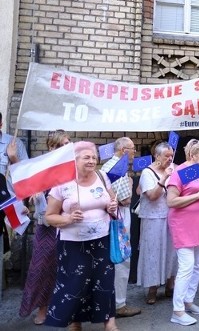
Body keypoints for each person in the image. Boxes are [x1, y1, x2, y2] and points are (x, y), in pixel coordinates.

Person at [44, 141, 119, 330]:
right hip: (73, 244)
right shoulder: (62, 183)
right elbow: (49, 217)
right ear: (75, 160)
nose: (92, 160)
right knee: (74, 284)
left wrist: (111, 207)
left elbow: (112, 202)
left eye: (94, 157)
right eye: (86, 157)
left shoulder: (102, 177)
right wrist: (68, 218)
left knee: (104, 280)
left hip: (102, 240)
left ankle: (109, 322)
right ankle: (74, 322)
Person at [19, 130, 70, 325]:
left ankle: (65, 309)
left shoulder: (72, 169)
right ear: (52, 148)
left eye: (68, 144)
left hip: (68, 226)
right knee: (43, 269)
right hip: (47, 228)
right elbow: (28, 195)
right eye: (63, 145)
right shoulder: (42, 169)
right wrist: (29, 201)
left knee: (67, 268)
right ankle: (42, 308)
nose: (67, 147)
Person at [166, 139, 199, 326]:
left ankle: (189, 300)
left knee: (197, 265)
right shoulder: (181, 171)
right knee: (186, 266)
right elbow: (171, 201)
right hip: (184, 224)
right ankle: (177, 310)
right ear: (192, 155)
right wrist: (198, 194)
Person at [101, 137, 141, 319]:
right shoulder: (117, 168)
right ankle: (119, 304)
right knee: (122, 258)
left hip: (110, 217)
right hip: (119, 216)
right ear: (124, 150)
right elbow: (125, 200)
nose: (135, 152)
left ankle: (112, 301)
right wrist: (131, 185)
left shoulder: (107, 166)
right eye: (133, 149)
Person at [136, 141, 177, 305]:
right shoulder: (147, 173)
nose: (170, 159)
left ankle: (170, 285)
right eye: (166, 156)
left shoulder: (173, 168)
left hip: (171, 216)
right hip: (153, 218)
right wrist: (165, 177)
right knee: (153, 253)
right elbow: (152, 196)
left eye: (171, 155)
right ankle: (152, 289)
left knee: (171, 252)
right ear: (157, 156)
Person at [0, 112, 29, 301]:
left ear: (1, 123)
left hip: (7, 206)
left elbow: (26, 174)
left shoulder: (14, 143)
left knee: (3, 253)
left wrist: (13, 159)